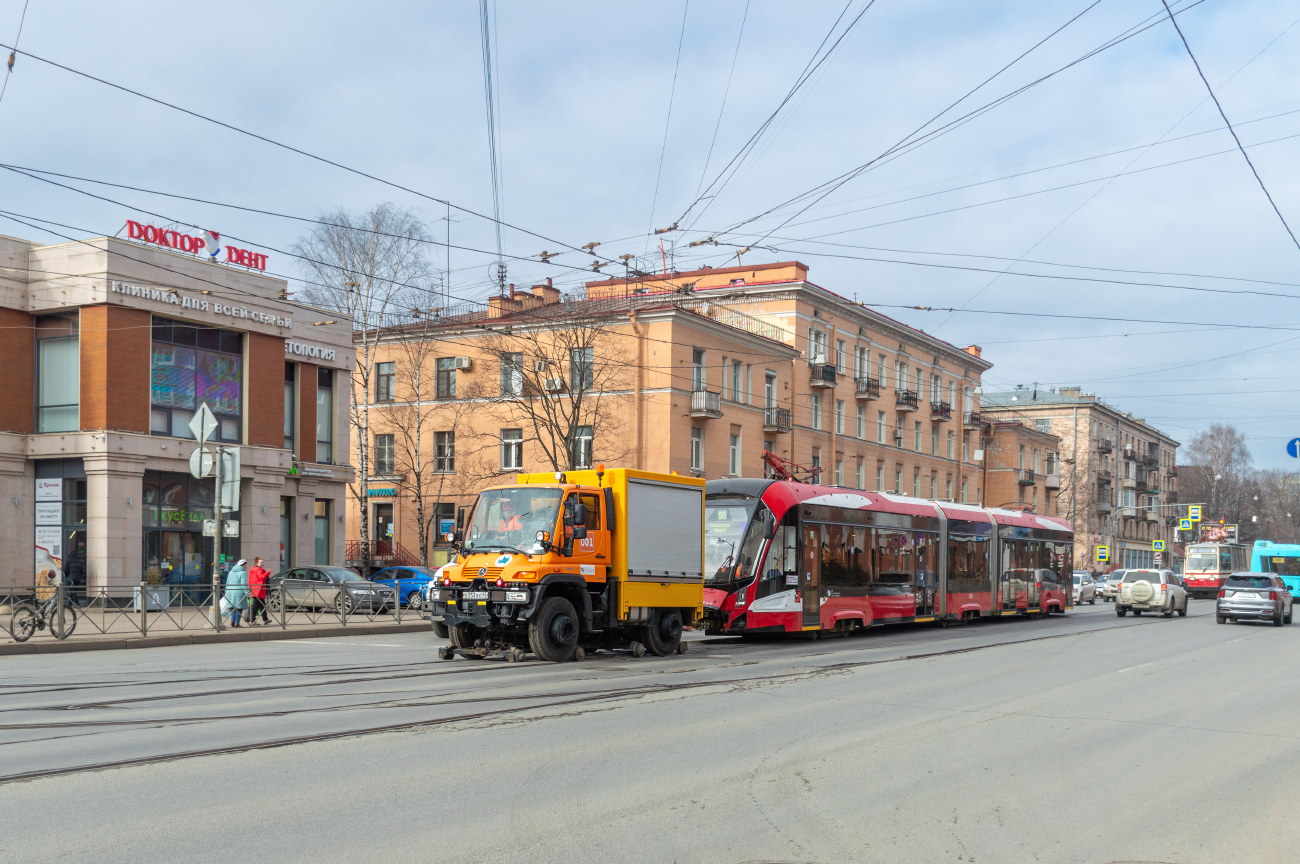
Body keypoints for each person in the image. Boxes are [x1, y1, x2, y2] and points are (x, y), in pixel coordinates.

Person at [225, 559, 249, 628]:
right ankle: (237, 623)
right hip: (239, 592)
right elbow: (244, 585)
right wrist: (248, 594)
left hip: (230, 592)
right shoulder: (243, 573)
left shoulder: (231, 572)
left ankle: (232, 620)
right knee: (239, 608)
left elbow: (227, 583)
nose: (246, 566)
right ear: (242, 565)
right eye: (245, 565)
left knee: (233, 608)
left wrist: (226, 592)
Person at [247, 557, 270, 625]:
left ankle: (265, 619)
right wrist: (267, 573)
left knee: (262, 605)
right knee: (256, 606)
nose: (262, 564)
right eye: (261, 563)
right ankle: (252, 620)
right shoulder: (258, 570)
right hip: (258, 590)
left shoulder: (253, 569)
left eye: (263, 563)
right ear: (256, 563)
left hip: (255, 589)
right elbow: (261, 577)